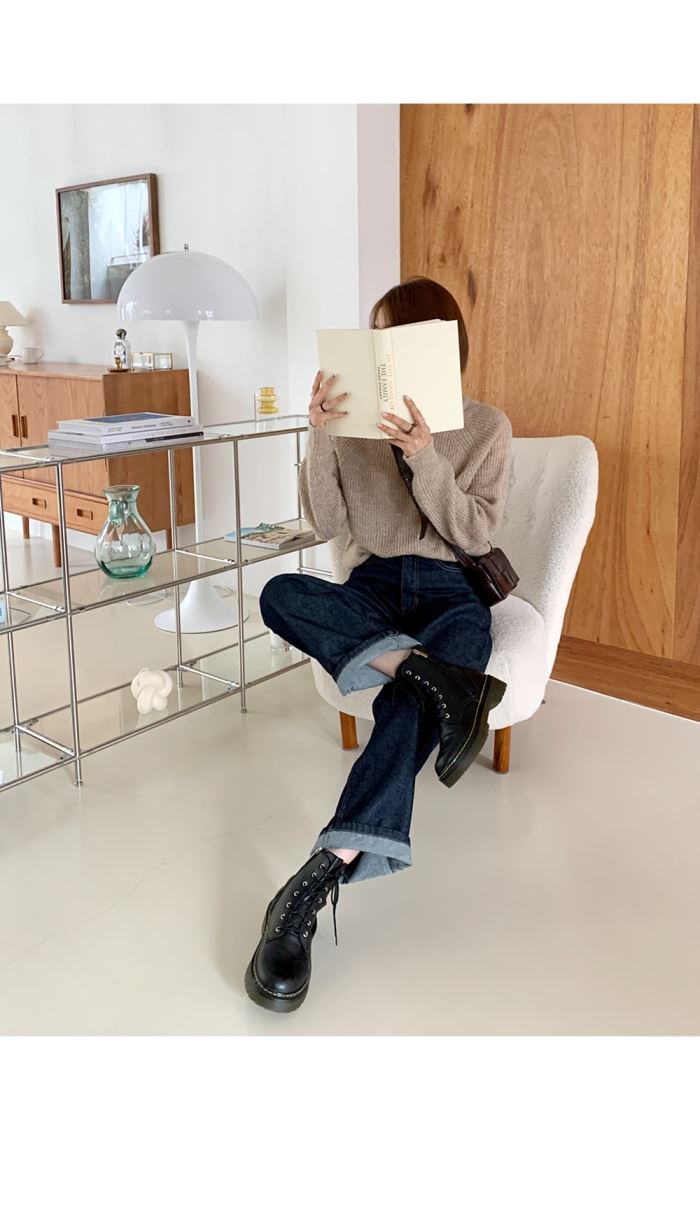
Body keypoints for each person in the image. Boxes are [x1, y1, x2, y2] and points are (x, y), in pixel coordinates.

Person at [244, 276, 512, 1013]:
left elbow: (475, 533)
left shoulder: (488, 427)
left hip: (453, 593)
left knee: (407, 705)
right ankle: (435, 678)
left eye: (401, 337)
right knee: (280, 592)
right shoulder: (352, 427)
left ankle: (317, 877)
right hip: (374, 586)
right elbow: (327, 525)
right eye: (378, 337)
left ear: (441, 347)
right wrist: (319, 433)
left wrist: (425, 454)